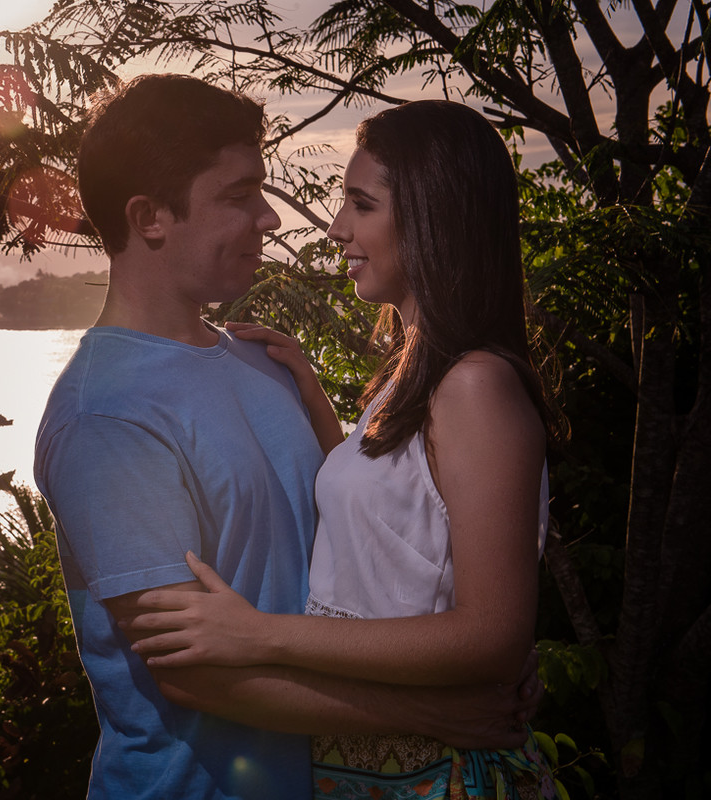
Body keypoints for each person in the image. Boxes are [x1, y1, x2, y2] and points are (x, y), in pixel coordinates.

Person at [35, 76, 540, 800]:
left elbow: (359, 529)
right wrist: (429, 712)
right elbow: (191, 667)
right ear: (149, 217)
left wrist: (468, 653)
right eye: (239, 197)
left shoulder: (263, 362)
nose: (272, 219)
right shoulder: (106, 415)